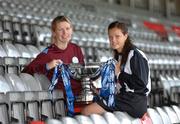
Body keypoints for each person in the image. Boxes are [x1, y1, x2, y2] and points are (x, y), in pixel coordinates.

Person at [81, 21, 151, 118]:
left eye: (117, 36)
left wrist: (119, 74)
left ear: (125, 36)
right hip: (125, 98)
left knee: (86, 112)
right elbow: (121, 84)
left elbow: (141, 83)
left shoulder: (135, 55)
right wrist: (100, 90)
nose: (113, 40)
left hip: (133, 101)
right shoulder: (120, 56)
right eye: (110, 37)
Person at [22, 16, 84, 96]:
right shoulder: (48, 54)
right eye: (61, 30)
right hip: (64, 100)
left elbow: (83, 73)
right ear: (54, 33)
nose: (65, 32)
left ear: (71, 30)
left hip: (81, 95)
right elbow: (26, 72)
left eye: (68, 28)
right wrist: (47, 66)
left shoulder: (76, 49)